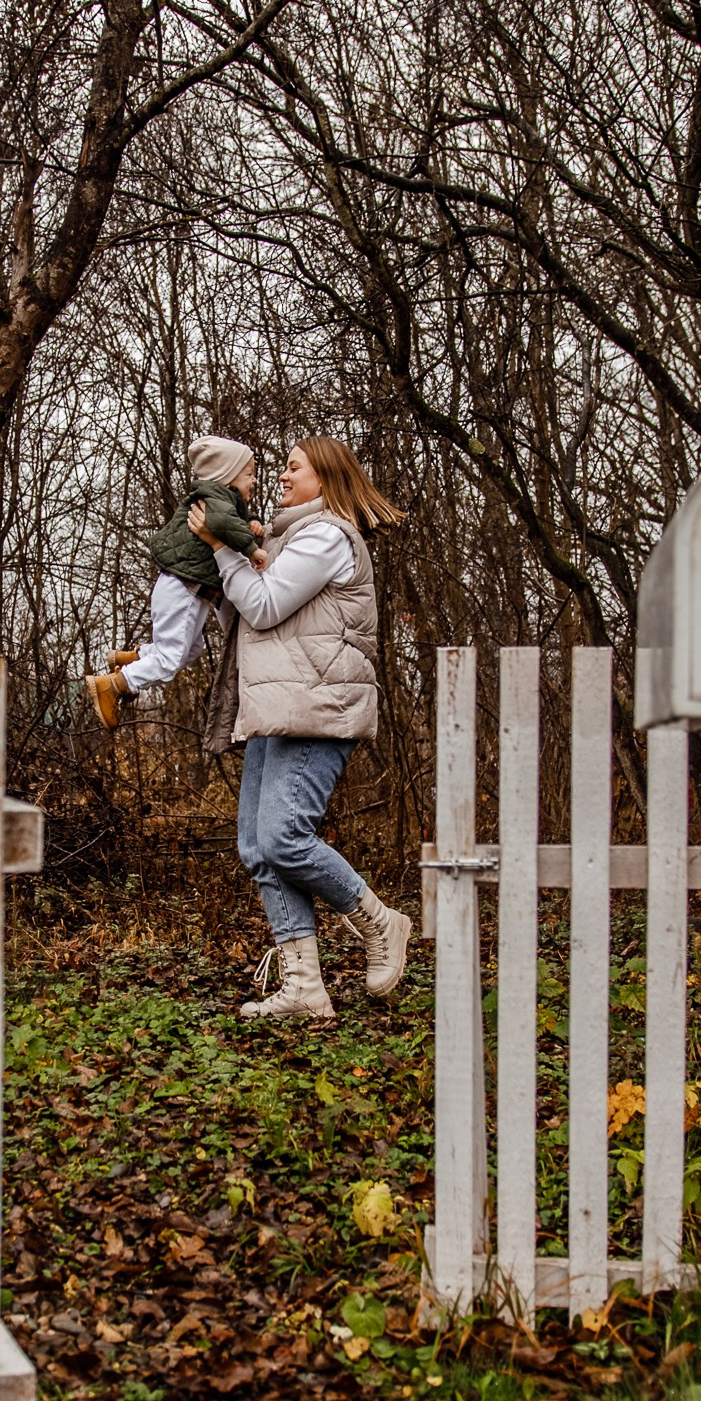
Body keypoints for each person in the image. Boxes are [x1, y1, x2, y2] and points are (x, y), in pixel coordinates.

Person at [192, 436, 411, 1018]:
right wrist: (225, 559)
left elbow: (263, 607)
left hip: (319, 706)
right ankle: (304, 988)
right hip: (280, 707)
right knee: (258, 848)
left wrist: (222, 548)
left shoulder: (326, 535)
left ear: (325, 477)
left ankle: (380, 921)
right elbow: (247, 613)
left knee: (285, 836)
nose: (282, 477)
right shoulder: (292, 537)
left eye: (293, 468)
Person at [86, 435, 264, 728]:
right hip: (183, 590)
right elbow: (222, 524)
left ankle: (135, 658)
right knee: (170, 660)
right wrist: (253, 548)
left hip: (181, 589)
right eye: (248, 474)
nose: (254, 480)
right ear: (228, 476)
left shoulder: (222, 501)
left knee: (189, 650)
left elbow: (231, 521)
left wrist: (251, 522)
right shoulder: (216, 501)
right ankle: (114, 685)